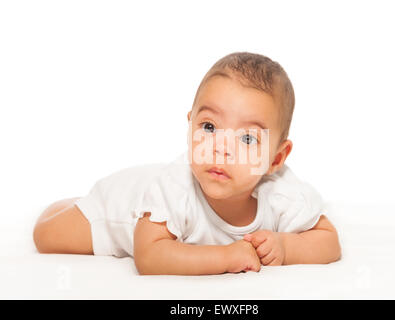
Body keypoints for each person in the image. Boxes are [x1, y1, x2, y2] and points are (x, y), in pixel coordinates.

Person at [33, 52, 341, 275]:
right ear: (190, 125)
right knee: (47, 235)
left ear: (275, 159)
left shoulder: (282, 194)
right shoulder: (173, 189)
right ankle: (70, 202)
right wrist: (225, 257)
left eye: (247, 139)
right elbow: (149, 256)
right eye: (209, 127)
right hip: (121, 205)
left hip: (149, 186)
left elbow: (328, 241)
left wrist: (286, 247)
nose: (221, 148)